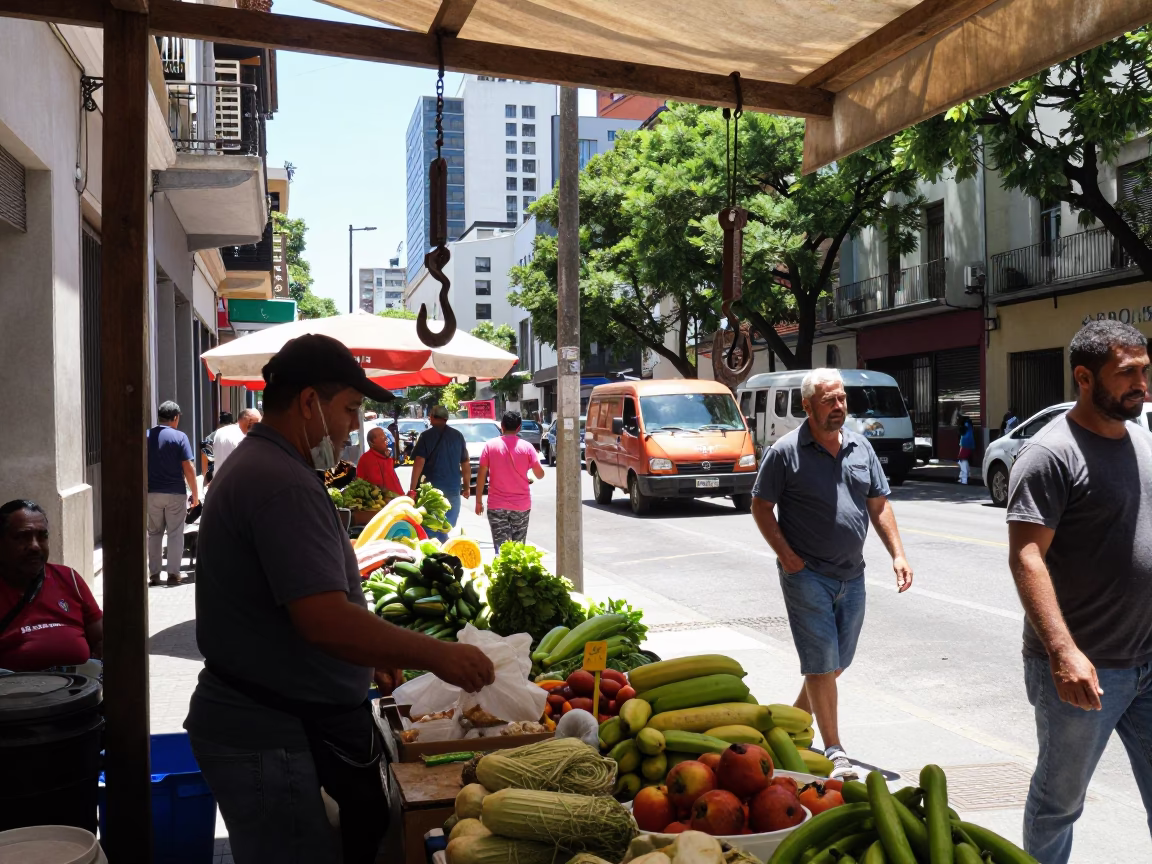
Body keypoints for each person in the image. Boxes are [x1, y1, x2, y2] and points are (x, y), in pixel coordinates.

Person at [185, 334, 494, 864]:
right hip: (269, 733)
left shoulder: (274, 467)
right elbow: (324, 621)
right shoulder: (278, 481)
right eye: (350, 409)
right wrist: (438, 655)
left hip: (275, 725)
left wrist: (372, 653)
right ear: (309, 403)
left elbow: (309, 605)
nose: (354, 426)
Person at [1006, 321, 1152, 864]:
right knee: (1059, 802)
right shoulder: (1049, 454)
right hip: (1085, 669)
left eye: (1144, 370)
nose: (1142, 385)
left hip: (1148, 659)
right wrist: (1064, 653)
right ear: (1085, 378)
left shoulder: (1143, 441)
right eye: (1127, 374)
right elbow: (1027, 557)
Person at [750, 368, 913, 780]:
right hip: (806, 574)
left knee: (836, 662)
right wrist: (786, 555)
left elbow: (878, 504)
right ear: (807, 406)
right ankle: (835, 749)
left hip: (852, 575)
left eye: (842, 398)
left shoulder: (861, 447)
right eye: (829, 400)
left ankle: (792, 724)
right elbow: (760, 507)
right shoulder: (785, 452)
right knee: (822, 663)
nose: (839, 407)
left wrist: (897, 554)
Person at [0, 500, 103, 673]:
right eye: (22, 537)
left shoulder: (69, 579)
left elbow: (101, 639)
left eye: (42, 536)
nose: (34, 546)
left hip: (79, 695)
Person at [475, 411, 545, 552]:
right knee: (518, 550)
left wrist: (478, 502)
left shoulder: (490, 446)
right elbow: (540, 475)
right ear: (519, 427)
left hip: (496, 505)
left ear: (502, 426)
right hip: (521, 506)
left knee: (501, 549)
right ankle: (516, 573)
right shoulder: (527, 447)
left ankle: (503, 572)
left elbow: (481, 475)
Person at [147, 400, 200, 586]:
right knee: (175, 533)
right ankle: (173, 574)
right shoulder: (180, 437)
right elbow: (188, 467)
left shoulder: (146, 435)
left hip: (151, 493)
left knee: (154, 533)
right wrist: (195, 493)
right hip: (175, 493)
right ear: (175, 417)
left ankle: (154, 575)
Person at [408, 405, 470, 541]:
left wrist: (412, 489)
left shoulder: (426, 436)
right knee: (447, 524)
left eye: (430, 415)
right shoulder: (457, 436)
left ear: (433, 417)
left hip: (431, 490)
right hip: (453, 488)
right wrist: (467, 487)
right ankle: (442, 545)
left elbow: (419, 462)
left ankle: (436, 548)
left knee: (431, 526)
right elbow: (465, 463)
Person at [356, 427, 404, 498]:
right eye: (381, 436)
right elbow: (360, 484)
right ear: (372, 442)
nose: (385, 438)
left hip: (397, 499)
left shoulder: (388, 457)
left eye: (385, 435)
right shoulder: (365, 459)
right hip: (378, 502)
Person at [201, 411, 234, 480]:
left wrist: (205, 476)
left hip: (214, 475)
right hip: (232, 473)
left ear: (219, 422)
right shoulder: (236, 435)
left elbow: (205, 455)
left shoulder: (211, 436)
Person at [956, 415, 975, 484]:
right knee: (964, 460)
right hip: (968, 445)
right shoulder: (969, 424)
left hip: (965, 445)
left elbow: (962, 432)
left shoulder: (965, 425)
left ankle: (964, 478)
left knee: (962, 461)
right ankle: (964, 476)